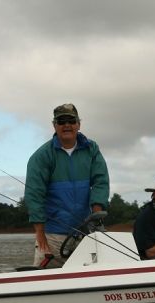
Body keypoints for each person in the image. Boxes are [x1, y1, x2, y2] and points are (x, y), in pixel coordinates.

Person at [25, 103, 109, 268]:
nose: (67, 125)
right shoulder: (41, 156)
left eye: (71, 120)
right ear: (54, 125)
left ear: (79, 123)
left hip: (86, 233)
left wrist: (96, 218)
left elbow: (101, 182)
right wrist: (40, 235)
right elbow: (34, 196)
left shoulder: (92, 149)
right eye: (61, 121)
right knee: (45, 284)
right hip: (52, 236)